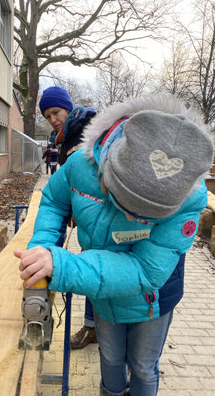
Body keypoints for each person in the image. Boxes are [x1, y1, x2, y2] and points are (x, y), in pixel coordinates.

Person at [15, 94, 213, 396]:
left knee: (144, 367)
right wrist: (41, 247)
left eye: (150, 216)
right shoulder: (82, 164)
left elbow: (147, 271)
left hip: (152, 300)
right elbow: (55, 199)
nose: (135, 218)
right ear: (112, 166)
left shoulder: (191, 198)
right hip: (102, 291)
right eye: (128, 204)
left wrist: (63, 265)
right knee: (109, 358)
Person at [39, 85, 98, 348]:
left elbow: (93, 179)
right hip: (85, 212)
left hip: (99, 215)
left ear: (68, 108)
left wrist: (80, 206)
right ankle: (98, 326)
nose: (52, 120)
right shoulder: (66, 135)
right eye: (48, 116)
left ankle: (94, 327)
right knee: (92, 264)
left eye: (56, 112)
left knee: (95, 267)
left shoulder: (86, 131)